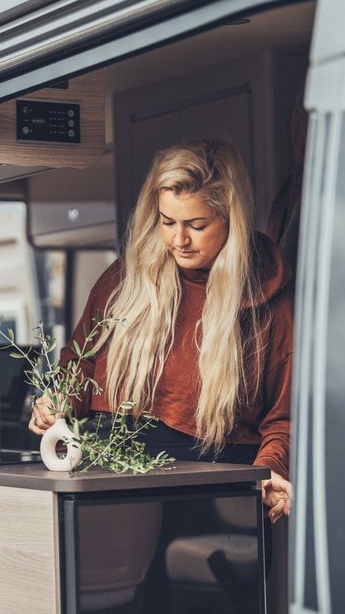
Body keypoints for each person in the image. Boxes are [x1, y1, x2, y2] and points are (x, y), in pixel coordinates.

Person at [30, 138, 293, 522]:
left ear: (231, 220)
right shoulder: (125, 280)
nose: (178, 240)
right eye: (167, 222)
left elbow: (284, 414)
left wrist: (271, 469)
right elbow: (79, 364)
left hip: (214, 491)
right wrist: (58, 403)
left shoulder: (267, 294)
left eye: (197, 225)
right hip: (109, 479)